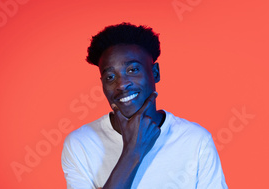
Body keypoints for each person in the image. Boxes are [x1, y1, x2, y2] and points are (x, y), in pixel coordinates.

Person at [61, 22, 228, 189]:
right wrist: (132, 152)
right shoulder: (81, 144)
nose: (121, 84)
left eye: (133, 70)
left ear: (155, 73)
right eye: (110, 77)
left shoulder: (195, 140)